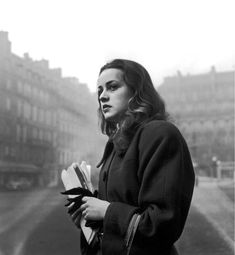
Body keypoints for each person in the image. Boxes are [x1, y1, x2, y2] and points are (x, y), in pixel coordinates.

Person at [63, 59, 195, 255]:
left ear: (137, 92)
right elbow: (114, 230)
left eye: (113, 87)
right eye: (99, 91)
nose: (103, 96)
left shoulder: (160, 134)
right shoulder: (115, 147)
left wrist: (106, 212)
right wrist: (88, 220)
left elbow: (163, 225)